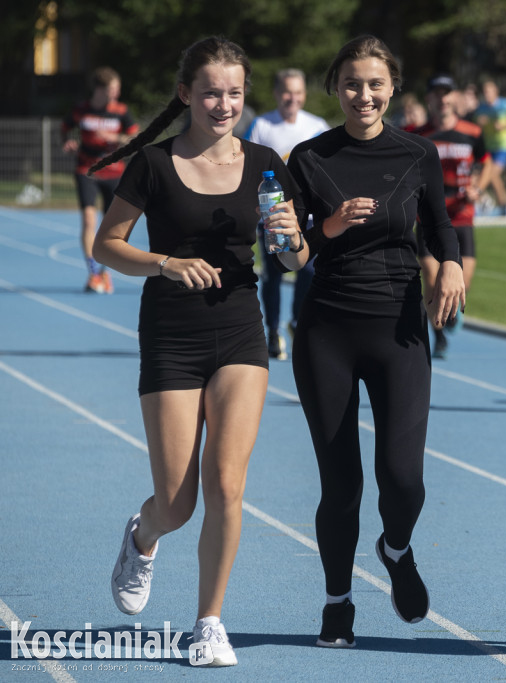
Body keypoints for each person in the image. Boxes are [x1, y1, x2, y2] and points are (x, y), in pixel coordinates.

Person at [89, 36, 301, 667]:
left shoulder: (266, 163)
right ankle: (142, 535)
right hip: (171, 338)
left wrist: (292, 241)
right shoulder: (152, 165)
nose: (223, 103)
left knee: (227, 485)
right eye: (211, 91)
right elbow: (106, 245)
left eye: (235, 93)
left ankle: (209, 622)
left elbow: (293, 259)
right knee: (178, 503)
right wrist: (164, 263)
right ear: (186, 94)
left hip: (240, 333)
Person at [277, 34, 465, 649]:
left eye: (375, 84)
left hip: (399, 330)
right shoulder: (307, 157)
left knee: (403, 479)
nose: (364, 94)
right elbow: (292, 254)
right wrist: (325, 226)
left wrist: (453, 265)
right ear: (335, 86)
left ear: (392, 89)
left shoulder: (418, 153)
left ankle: (396, 548)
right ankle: (337, 604)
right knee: (342, 485)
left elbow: (440, 224)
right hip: (326, 330)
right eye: (353, 83)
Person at [245, 68, 330, 360]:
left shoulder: (317, 126)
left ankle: (296, 320)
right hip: (271, 219)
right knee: (273, 277)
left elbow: (326, 173)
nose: (291, 98)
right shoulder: (260, 126)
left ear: (304, 94)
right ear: (276, 94)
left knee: (307, 272)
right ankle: (273, 331)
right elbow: (244, 167)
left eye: (297, 92)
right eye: (286, 92)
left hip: (306, 220)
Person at [413, 74, 492, 359]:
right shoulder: (417, 133)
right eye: (436, 93)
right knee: (433, 281)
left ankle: (449, 316)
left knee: (462, 284)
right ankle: (437, 335)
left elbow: (486, 163)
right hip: (428, 218)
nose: (442, 99)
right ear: (429, 99)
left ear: (454, 98)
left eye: (447, 93)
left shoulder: (471, 132)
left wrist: (479, 188)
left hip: (461, 217)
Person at [62, 67, 139, 294]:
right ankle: (93, 273)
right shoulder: (81, 110)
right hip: (87, 170)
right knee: (88, 220)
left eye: (117, 89)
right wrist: (67, 142)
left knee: (111, 227)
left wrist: (116, 137)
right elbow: (65, 128)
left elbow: (135, 135)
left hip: (114, 172)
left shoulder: (121, 111)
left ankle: (105, 272)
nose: (115, 94)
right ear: (99, 89)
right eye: (112, 90)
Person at [473, 79, 506, 216]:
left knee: (492, 173)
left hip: (503, 146)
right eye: (485, 92)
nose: (487, 94)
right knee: (490, 176)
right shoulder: (481, 108)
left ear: (496, 91)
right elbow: (475, 125)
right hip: (488, 147)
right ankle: (504, 205)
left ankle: (482, 199)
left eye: (489, 91)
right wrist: (479, 122)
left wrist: (505, 125)